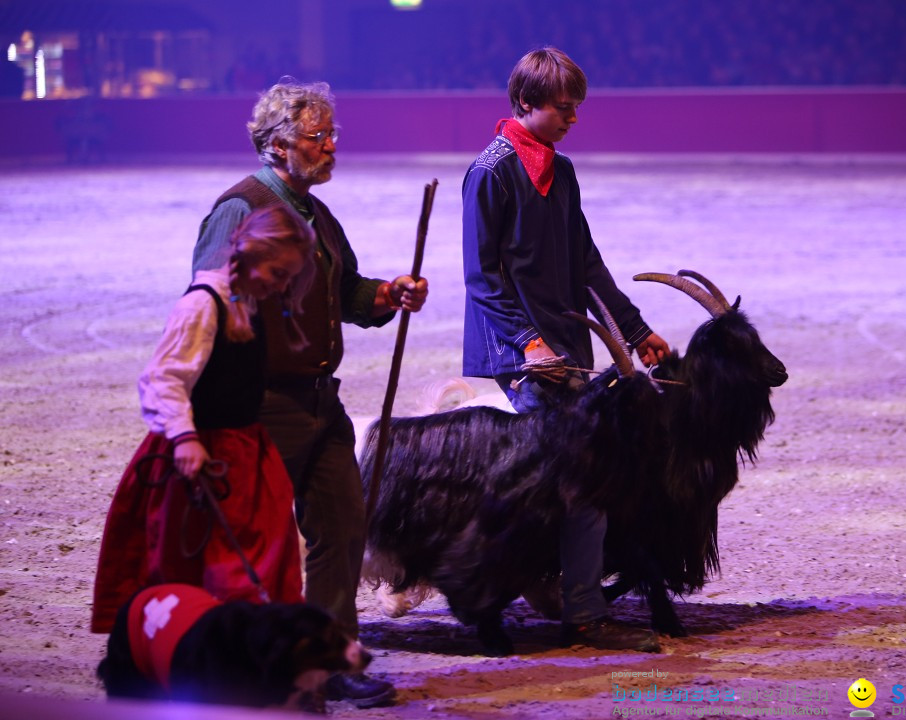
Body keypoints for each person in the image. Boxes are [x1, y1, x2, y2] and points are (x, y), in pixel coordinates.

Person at [191, 78, 427, 708]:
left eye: (333, 135)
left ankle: (331, 659)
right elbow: (207, 301)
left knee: (344, 527)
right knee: (256, 545)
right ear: (276, 146)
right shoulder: (239, 209)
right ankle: (247, 666)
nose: (330, 147)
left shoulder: (317, 215)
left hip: (321, 400)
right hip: (262, 405)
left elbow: (346, 290)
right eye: (316, 137)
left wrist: (387, 295)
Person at [461, 46, 670, 652]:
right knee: (581, 481)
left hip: (569, 350)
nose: (572, 117)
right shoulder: (490, 172)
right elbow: (481, 278)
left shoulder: (563, 169)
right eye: (563, 107)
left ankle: (558, 596)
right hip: (522, 357)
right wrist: (527, 343)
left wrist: (634, 330)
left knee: (575, 482)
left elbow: (587, 260)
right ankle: (577, 612)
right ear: (526, 102)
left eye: (576, 107)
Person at [92, 204, 316, 634]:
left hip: (246, 457)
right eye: (277, 272)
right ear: (249, 253)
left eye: (288, 276)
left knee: (261, 560)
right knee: (207, 567)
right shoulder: (203, 305)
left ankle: (250, 658)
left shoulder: (248, 301)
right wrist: (184, 437)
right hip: (205, 457)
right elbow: (164, 377)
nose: (281, 285)